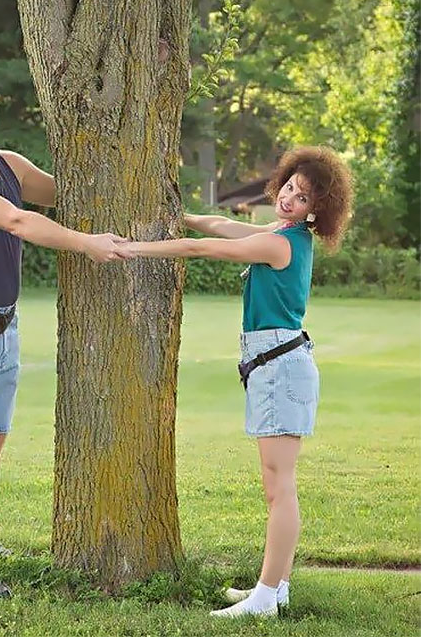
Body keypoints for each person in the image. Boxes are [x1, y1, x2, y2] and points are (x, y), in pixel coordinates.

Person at [115, 147, 353, 618]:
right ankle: (276, 587)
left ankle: (265, 596)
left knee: (278, 486)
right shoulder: (280, 232)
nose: (289, 198)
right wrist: (179, 215)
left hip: (280, 368)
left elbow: (206, 248)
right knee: (278, 484)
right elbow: (222, 227)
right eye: (288, 187)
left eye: (302, 197)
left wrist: (132, 248)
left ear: (317, 210)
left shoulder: (281, 244)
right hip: (273, 364)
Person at [0, 76, 125, 598]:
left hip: (3, 320)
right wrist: (86, 244)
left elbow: (64, 191)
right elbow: (17, 220)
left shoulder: (10, 165)